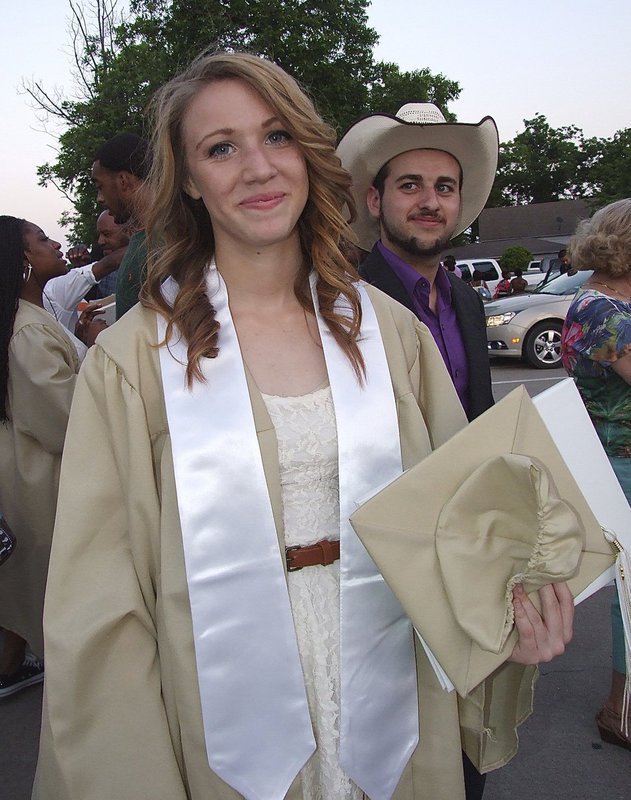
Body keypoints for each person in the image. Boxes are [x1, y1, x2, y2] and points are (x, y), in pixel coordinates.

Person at [34, 51, 574, 800]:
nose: (257, 167)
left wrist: (519, 607)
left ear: (308, 154)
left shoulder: (388, 334)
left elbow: (466, 521)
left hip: (391, 691)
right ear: (188, 178)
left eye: (277, 137)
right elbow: (101, 611)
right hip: (218, 710)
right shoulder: (137, 362)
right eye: (221, 147)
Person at [336, 102, 495, 421]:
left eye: (444, 187)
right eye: (410, 185)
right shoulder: (348, 306)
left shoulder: (468, 302)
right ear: (375, 200)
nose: (430, 202)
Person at [561, 197, 631, 751]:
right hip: (619, 462)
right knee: (629, 593)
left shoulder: (609, 304)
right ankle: (620, 710)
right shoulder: (601, 311)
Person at [0, 216, 80, 698]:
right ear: (25, 258)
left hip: (28, 472)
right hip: (42, 480)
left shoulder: (27, 318)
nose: (55, 244)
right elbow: (62, 418)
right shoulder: (26, 331)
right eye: (43, 239)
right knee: (54, 589)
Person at [91, 133, 150, 318]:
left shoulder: (165, 244)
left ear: (123, 180)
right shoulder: (145, 240)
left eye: (100, 186)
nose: (100, 198)